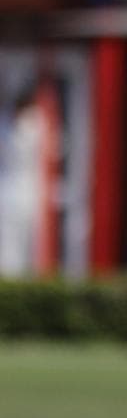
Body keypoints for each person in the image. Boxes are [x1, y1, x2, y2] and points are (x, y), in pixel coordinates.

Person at [0, 84, 46, 277]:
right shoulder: (4, 124)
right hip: (7, 190)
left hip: (31, 192)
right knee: (8, 246)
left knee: (32, 245)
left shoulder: (37, 124)